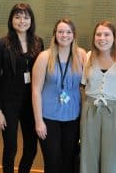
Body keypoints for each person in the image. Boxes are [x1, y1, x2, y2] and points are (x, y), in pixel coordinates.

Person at [0, 3, 44, 173]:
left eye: (26, 17)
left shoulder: (38, 42)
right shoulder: (1, 44)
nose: (22, 21)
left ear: (31, 20)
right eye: (18, 17)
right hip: (9, 104)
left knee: (31, 148)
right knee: (10, 148)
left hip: (31, 103)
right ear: (11, 19)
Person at [32, 18, 86, 173]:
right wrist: (38, 122)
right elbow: (35, 90)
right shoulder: (44, 57)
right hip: (49, 119)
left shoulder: (81, 55)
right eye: (60, 31)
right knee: (53, 163)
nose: (64, 35)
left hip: (73, 118)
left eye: (68, 32)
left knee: (69, 162)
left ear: (74, 35)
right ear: (54, 34)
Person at [80, 20, 116, 173]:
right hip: (91, 110)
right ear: (94, 37)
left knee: (113, 156)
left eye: (106, 34)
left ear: (114, 37)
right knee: (88, 154)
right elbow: (84, 83)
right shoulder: (89, 56)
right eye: (98, 34)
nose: (102, 38)